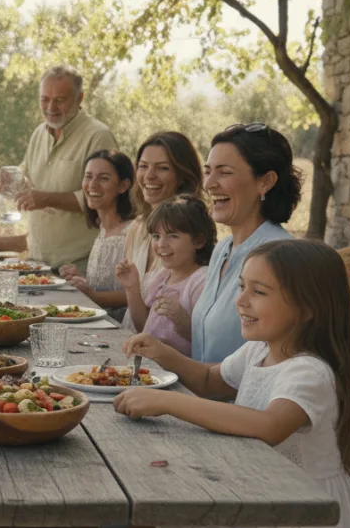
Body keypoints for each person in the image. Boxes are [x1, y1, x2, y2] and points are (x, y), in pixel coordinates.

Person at [116, 239, 350, 528]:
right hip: (255, 491)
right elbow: (209, 380)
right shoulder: (259, 350)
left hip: (300, 518)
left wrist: (167, 401)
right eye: (241, 287)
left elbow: (269, 426)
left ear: (307, 308)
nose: (241, 301)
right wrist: (162, 353)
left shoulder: (309, 372)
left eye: (258, 292)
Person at [0, 65, 118, 273]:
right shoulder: (39, 133)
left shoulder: (98, 136)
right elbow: (26, 179)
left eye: (60, 99)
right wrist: (6, 179)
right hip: (37, 263)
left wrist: (46, 198)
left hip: (80, 266)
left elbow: (106, 199)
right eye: (45, 99)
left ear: (79, 98)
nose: (51, 107)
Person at [191, 123, 300, 363]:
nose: (209, 183)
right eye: (208, 171)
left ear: (265, 181)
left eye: (225, 172)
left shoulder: (279, 256)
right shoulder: (222, 249)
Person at [114, 131, 205, 331]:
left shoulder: (194, 234)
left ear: (182, 176)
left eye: (162, 168)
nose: (149, 176)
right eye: (143, 166)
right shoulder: (136, 229)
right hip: (131, 339)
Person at [117, 195, 215, 355]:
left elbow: (205, 341)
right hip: (151, 364)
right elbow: (143, 326)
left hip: (178, 370)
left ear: (198, 241)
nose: (161, 244)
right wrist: (132, 288)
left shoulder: (201, 281)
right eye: (156, 236)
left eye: (173, 236)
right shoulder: (162, 276)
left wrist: (181, 319)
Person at [57, 150, 134, 322]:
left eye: (103, 178)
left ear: (123, 186)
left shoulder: (132, 232)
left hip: (119, 328)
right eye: (88, 176)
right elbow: (106, 286)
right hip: (94, 322)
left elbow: (139, 294)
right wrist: (81, 280)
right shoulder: (103, 230)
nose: (92, 185)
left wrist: (93, 295)